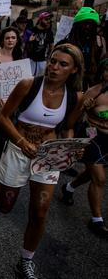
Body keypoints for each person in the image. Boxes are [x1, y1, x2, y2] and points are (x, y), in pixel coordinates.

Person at [0, 43, 84, 279]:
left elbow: (67, 128)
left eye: (62, 64)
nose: (54, 67)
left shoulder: (76, 97)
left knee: (39, 212)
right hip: (18, 151)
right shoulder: (29, 85)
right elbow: (3, 117)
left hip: (48, 157)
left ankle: (25, 260)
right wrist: (20, 141)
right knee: (7, 205)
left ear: (75, 70)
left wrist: (70, 147)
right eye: (53, 61)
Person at [60, 56, 108, 237]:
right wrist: (84, 108)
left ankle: (69, 187)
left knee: (91, 174)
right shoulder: (94, 93)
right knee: (100, 178)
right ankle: (96, 220)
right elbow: (73, 120)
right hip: (93, 136)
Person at [0, 27, 25, 163]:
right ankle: (0, 163)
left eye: (13, 38)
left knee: (13, 134)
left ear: (17, 40)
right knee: (0, 137)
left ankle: (8, 163)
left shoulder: (20, 58)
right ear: (2, 40)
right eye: (7, 38)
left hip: (14, 103)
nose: (10, 40)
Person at [57, 6, 105, 90]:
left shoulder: (99, 42)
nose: (88, 27)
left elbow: (103, 65)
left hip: (89, 85)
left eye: (91, 24)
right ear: (77, 25)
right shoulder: (65, 44)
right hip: (67, 84)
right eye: (85, 23)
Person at [24, 12, 54, 77]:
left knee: (40, 80)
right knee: (29, 79)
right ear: (40, 20)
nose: (48, 21)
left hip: (42, 61)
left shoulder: (49, 32)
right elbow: (24, 46)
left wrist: (48, 60)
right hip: (30, 60)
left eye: (49, 19)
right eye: (46, 19)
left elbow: (51, 47)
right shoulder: (30, 30)